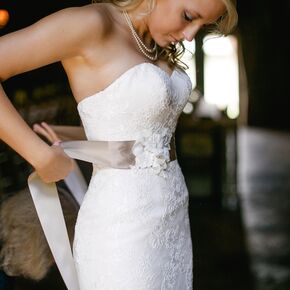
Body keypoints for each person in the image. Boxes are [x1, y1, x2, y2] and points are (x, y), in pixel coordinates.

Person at [0, 0, 238, 289]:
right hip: (121, 229)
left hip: (172, 218)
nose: (190, 35)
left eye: (202, 26)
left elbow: (143, 132)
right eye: (188, 17)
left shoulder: (154, 41)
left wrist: (81, 136)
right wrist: (38, 155)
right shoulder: (92, 23)